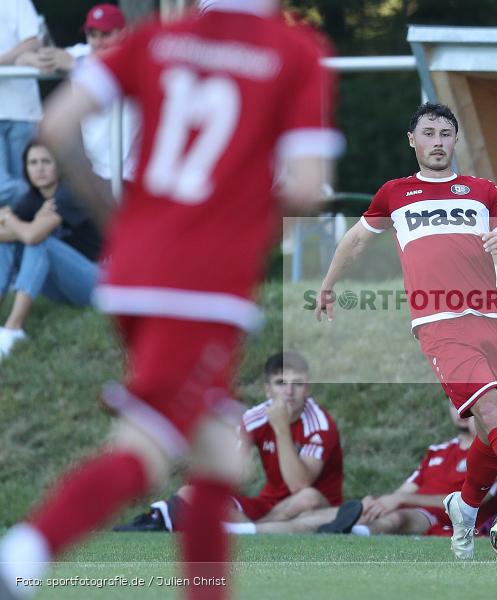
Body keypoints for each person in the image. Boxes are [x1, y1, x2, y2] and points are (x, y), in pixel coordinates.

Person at [0, 0, 342, 598]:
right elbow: (310, 190)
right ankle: (24, 556)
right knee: (148, 446)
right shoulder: (296, 52)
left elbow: (55, 125)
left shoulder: (158, 40)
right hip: (203, 288)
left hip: (135, 271)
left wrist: (120, 220)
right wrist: (237, 215)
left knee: (218, 457)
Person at [315, 101, 497, 561]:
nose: (438, 142)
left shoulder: (483, 191)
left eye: (446, 134)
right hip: (438, 324)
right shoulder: (395, 193)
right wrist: (328, 286)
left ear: (456, 141)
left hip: (491, 318)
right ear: (412, 140)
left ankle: (465, 505)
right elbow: (357, 240)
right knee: (494, 412)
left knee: (490, 429)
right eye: (429, 133)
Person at [114, 352, 343, 532]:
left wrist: (282, 428)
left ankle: (247, 530)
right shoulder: (257, 416)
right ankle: (247, 529)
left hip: (316, 508)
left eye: (298, 384)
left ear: (308, 388)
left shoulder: (320, 425)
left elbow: (298, 486)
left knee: (306, 498)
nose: (289, 392)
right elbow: (221, 462)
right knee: (191, 493)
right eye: (281, 383)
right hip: (269, 508)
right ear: (268, 390)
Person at [228, 401, 497, 537]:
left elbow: (470, 501)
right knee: (347, 511)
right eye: (457, 402)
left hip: (443, 519)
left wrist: (400, 500)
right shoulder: (438, 451)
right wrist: (380, 502)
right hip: (408, 506)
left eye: (473, 406)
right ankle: (251, 531)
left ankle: (348, 533)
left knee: (398, 518)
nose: (463, 409)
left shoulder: (494, 455)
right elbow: (402, 491)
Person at [16, 4, 140, 184]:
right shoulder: (82, 53)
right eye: (92, 35)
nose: (98, 41)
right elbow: (22, 60)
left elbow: (114, 64)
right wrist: (39, 59)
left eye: (106, 34)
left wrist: (76, 64)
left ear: (124, 33)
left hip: (129, 174)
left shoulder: (133, 54)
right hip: (93, 175)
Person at [0, 142, 101, 359]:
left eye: (46, 161)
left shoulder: (70, 193)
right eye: (33, 163)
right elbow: (8, 234)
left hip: (97, 284)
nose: (40, 168)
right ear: (26, 169)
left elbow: (31, 236)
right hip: (66, 287)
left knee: (41, 243)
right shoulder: (33, 199)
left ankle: (13, 329)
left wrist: (9, 218)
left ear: (59, 166)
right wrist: (24, 225)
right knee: (8, 243)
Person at [0, 0, 42, 207]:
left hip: (22, 111)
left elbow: (33, 42)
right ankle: (48, 201)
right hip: (20, 110)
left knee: (25, 181)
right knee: (5, 188)